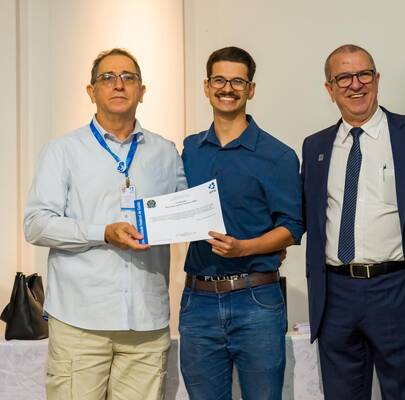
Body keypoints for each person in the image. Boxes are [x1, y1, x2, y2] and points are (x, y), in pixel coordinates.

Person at [23, 48, 187, 400]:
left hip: (146, 323)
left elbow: (183, 216)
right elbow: (36, 224)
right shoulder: (63, 150)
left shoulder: (165, 152)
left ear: (142, 91)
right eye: (107, 77)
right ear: (91, 91)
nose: (119, 84)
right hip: (80, 322)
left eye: (129, 77)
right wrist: (103, 233)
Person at [301, 44, 405, 399]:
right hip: (335, 294)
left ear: (377, 79)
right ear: (329, 88)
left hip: (395, 289)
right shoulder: (315, 147)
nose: (355, 84)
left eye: (364, 74)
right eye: (343, 77)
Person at [178, 46, 303, 400]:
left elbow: (292, 228)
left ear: (251, 89)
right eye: (219, 80)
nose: (227, 88)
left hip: (256, 301)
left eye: (237, 81)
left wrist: (244, 248)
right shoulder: (190, 150)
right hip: (198, 302)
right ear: (206, 87)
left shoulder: (278, 155)